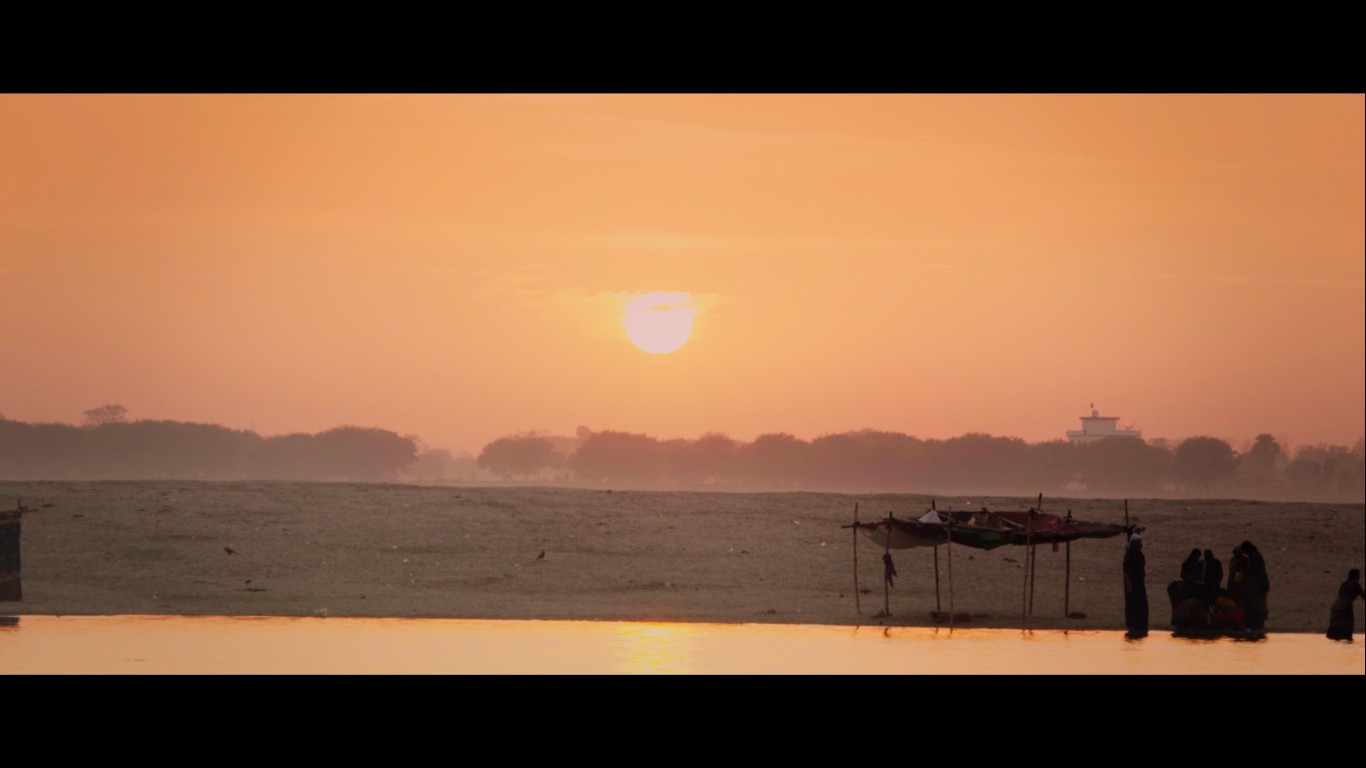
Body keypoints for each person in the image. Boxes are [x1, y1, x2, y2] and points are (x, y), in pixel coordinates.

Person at [1326, 569, 1364, 641]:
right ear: (1357, 576)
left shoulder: (1344, 584)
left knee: (1337, 628)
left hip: (1336, 605)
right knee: (1347, 627)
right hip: (1345, 606)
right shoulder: (1355, 584)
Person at [1123, 532, 1148, 638]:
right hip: (1132, 584)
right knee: (1132, 605)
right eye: (1137, 542)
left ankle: (1141, 626)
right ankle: (1133, 626)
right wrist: (1129, 586)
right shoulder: (1129, 555)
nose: (1139, 543)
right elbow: (1126, 572)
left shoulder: (1139, 554)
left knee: (1141, 604)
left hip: (1139, 583)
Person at [1241, 541, 1270, 630]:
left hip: (1258, 585)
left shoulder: (1255, 556)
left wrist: (1245, 572)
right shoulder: (1254, 555)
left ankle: (1257, 624)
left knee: (1257, 606)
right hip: (1258, 586)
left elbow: (1254, 570)